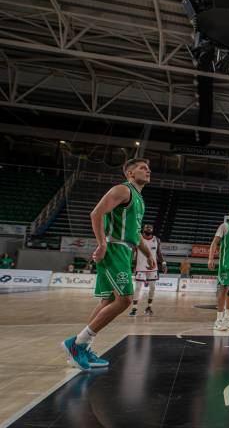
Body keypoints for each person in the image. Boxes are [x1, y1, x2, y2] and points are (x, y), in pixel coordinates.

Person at [61, 158, 154, 371]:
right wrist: (102, 243)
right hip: (114, 248)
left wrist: (148, 254)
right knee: (125, 300)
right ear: (130, 173)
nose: (147, 170)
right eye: (142, 168)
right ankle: (77, 345)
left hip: (123, 248)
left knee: (108, 300)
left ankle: (81, 347)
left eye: (148, 168)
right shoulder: (123, 190)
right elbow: (96, 213)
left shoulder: (138, 198)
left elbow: (135, 233)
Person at [130, 224, 167, 317]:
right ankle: (134, 308)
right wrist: (130, 264)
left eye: (151, 228)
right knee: (138, 288)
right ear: (143, 229)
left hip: (153, 268)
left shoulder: (157, 240)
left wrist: (163, 263)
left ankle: (149, 307)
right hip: (140, 267)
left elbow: (159, 253)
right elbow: (132, 253)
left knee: (153, 288)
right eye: (147, 227)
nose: (149, 229)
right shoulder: (138, 238)